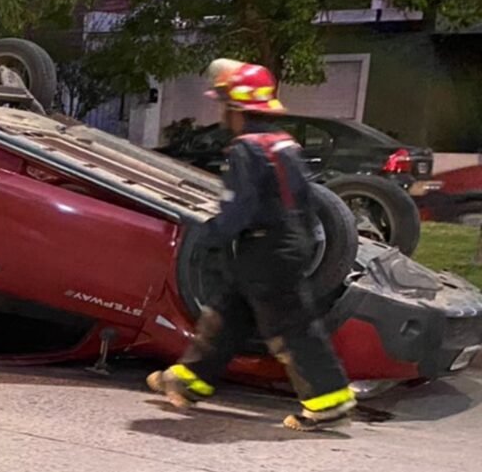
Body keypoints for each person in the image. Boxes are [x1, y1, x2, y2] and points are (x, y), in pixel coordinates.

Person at [146, 59, 356, 432]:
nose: (222, 112)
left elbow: (239, 209)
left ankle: (329, 401)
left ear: (236, 108)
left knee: (289, 327)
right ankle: (188, 381)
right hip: (289, 241)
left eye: (224, 105)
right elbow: (306, 198)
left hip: (265, 248)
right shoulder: (284, 144)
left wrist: (208, 235)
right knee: (228, 314)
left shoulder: (245, 149)